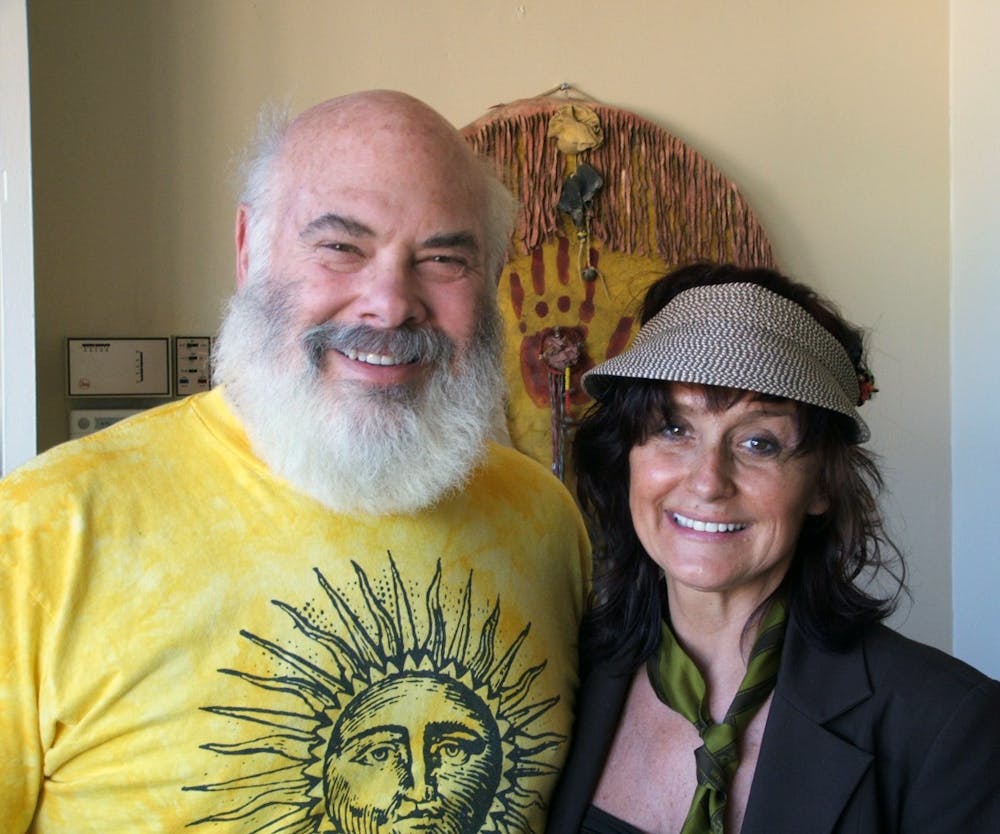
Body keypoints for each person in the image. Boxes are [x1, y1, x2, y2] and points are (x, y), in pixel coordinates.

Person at [0, 90, 591, 833]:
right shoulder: (40, 533)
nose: (388, 304)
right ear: (249, 248)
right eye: (342, 247)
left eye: (443, 258)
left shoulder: (544, 521)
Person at [546, 262, 1000, 833]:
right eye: (673, 428)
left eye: (759, 442)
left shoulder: (948, 728)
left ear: (822, 485)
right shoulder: (559, 676)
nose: (708, 481)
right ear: (627, 458)